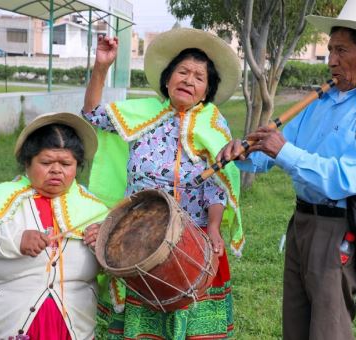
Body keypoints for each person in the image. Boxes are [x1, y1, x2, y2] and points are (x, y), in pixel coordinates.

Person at [217, 0, 356, 339]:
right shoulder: (322, 100)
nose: (332, 60)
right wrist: (244, 152)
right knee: (295, 326)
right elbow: (277, 149)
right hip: (302, 224)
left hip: (342, 231)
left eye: (341, 50)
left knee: (328, 330)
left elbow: (349, 177)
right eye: (330, 50)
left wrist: (285, 150)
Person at [82, 28, 243, 339]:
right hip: (138, 236)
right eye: (182, 72)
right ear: (167, 79)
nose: (188, 80)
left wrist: (213, 229)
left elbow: (217, 183)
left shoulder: (213, 124)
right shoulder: (140, 114)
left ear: (206, 92)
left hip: (191, 241)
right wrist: (101, 66)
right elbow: (91, 117)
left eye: (199, 77)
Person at [0, 112, 109, 339]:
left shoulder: (94, 209)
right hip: (4, 320)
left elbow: (117, 262)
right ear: (27, 163)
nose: (56, 170)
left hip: (75, 324)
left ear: (78, 166)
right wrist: (16, 239)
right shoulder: (1, 197)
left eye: (66, 163)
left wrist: (106, 242)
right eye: (46, 162)